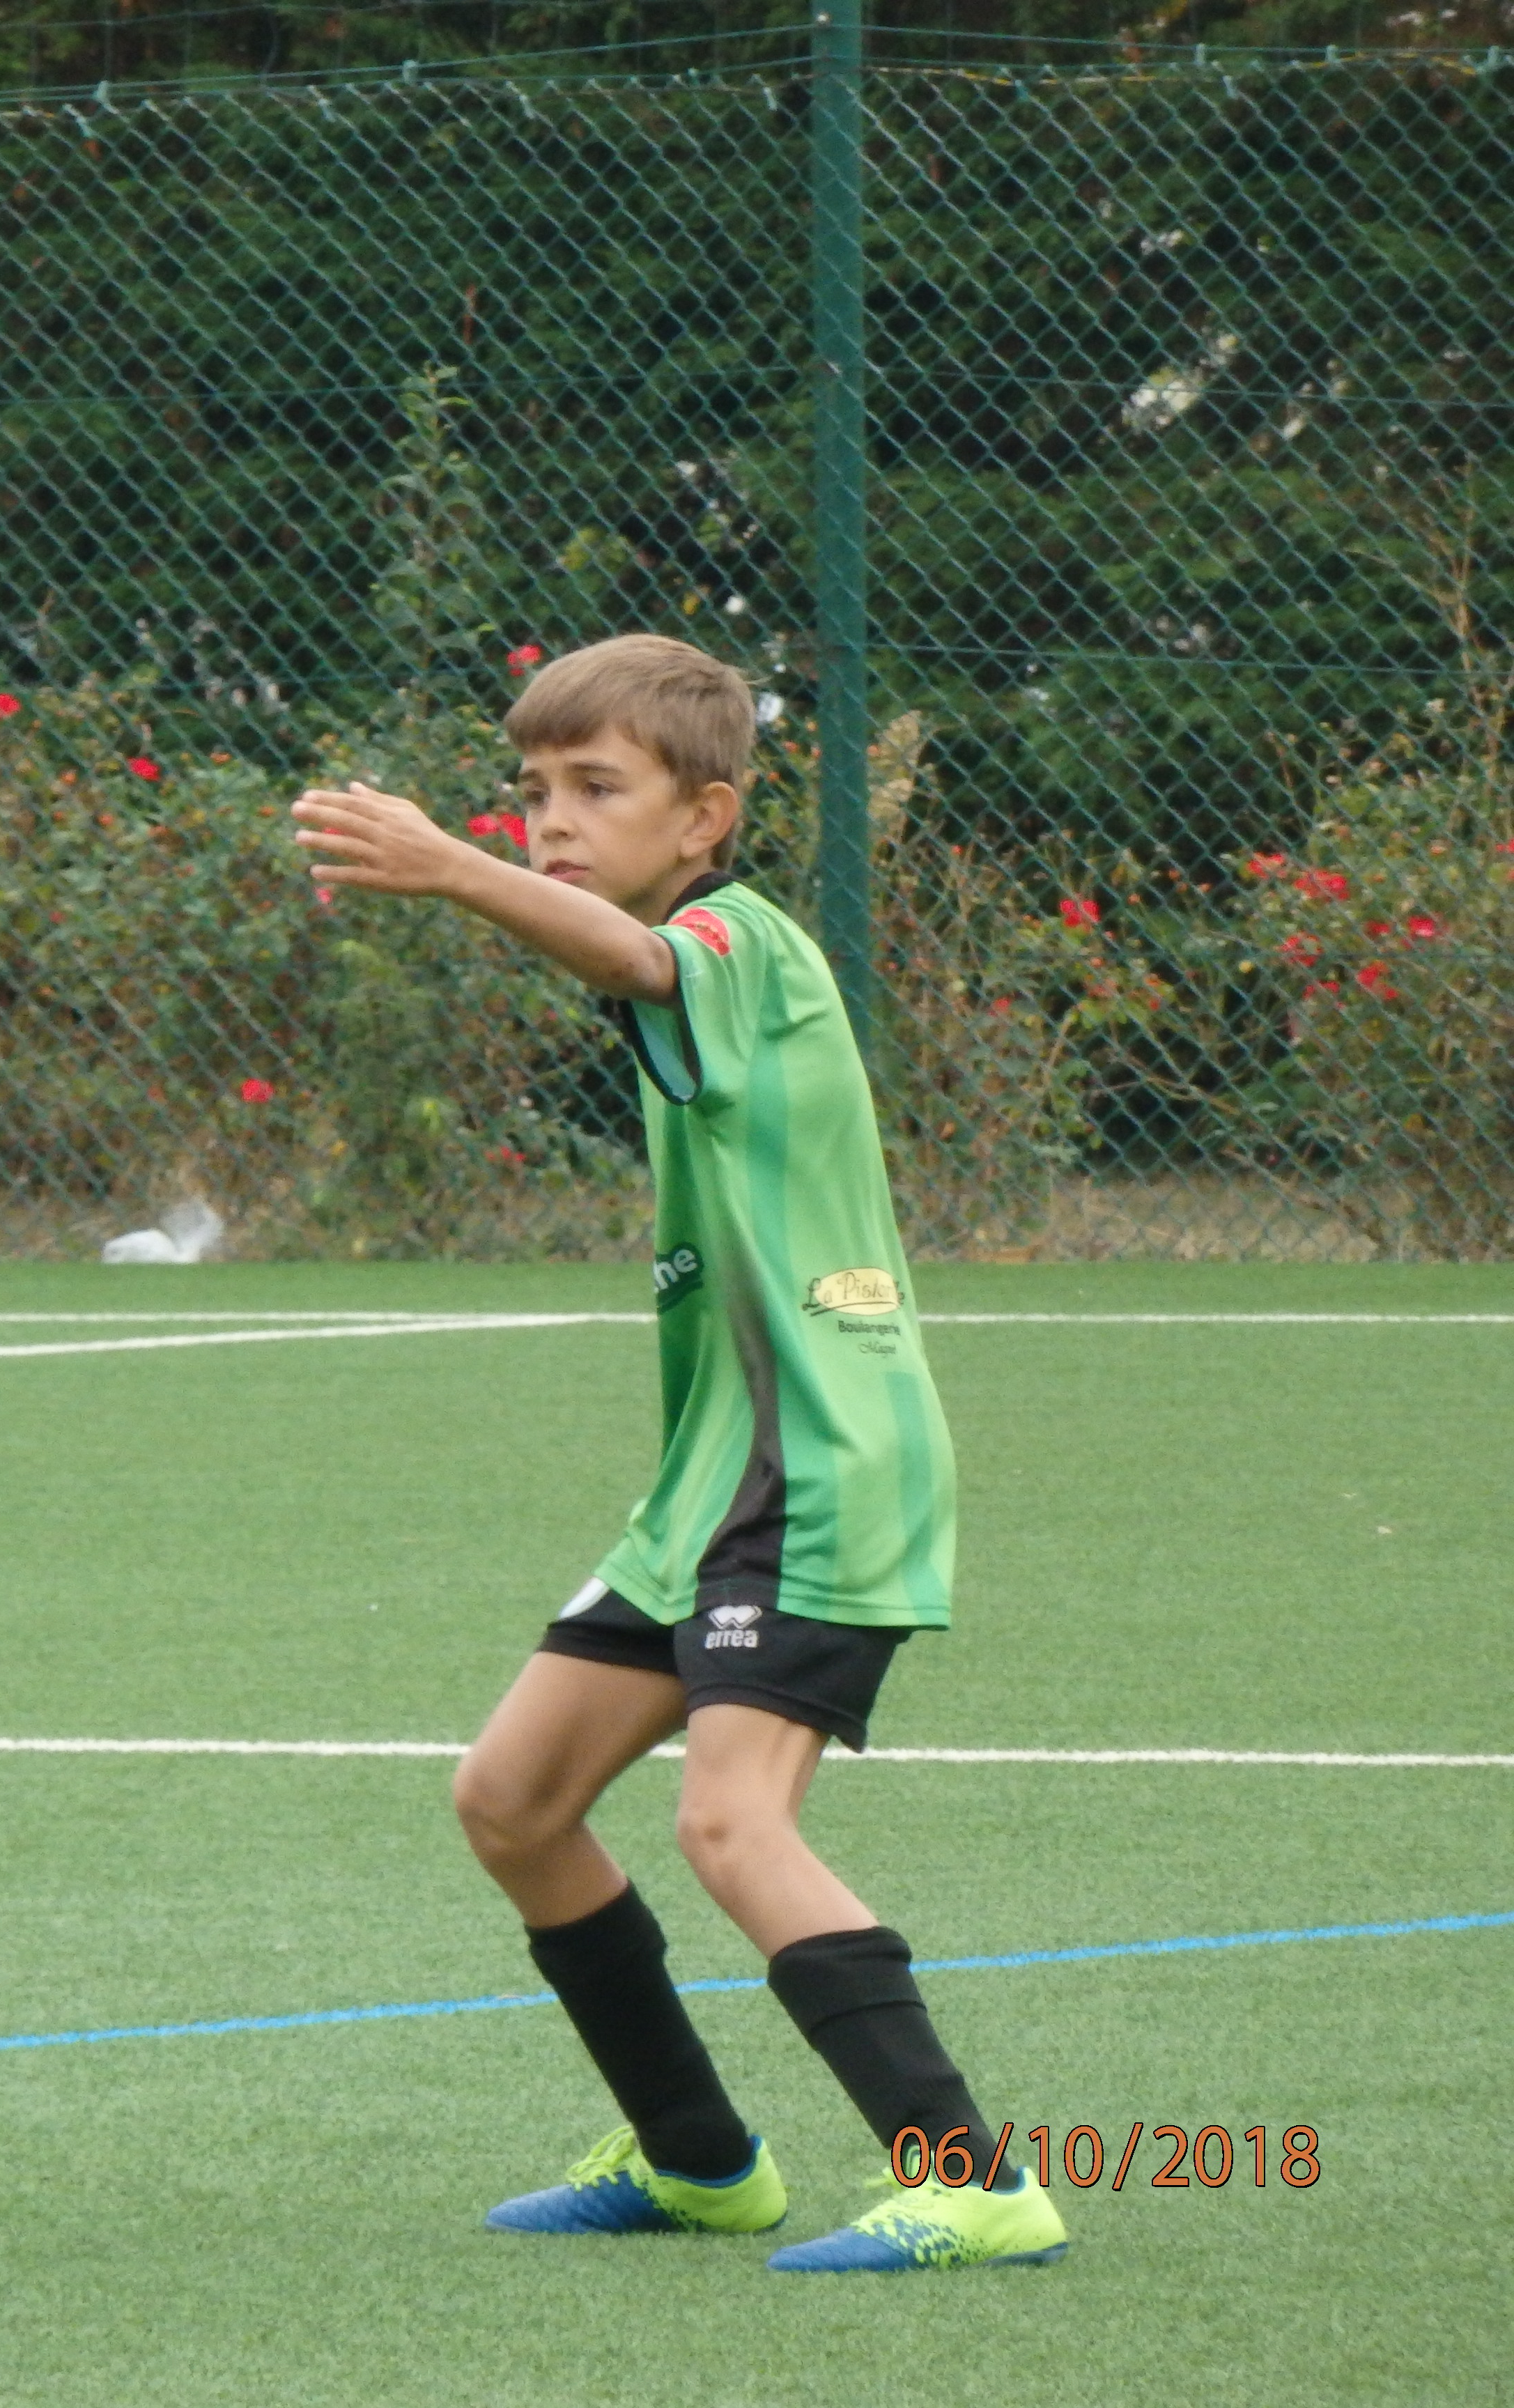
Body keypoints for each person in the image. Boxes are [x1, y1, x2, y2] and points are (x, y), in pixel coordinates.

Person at [289, 633, 1067, 2274]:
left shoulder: (742, 945)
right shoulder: (677, 971)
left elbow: (634, 960)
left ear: (705, 818)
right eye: (532, 793)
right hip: (715, 1484)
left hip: (822, 1462)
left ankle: (973, 2181)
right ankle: (701, 2162)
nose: (551, 822)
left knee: (730, 1825)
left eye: (596, 789)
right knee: (513, 1799)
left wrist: (454, 869)